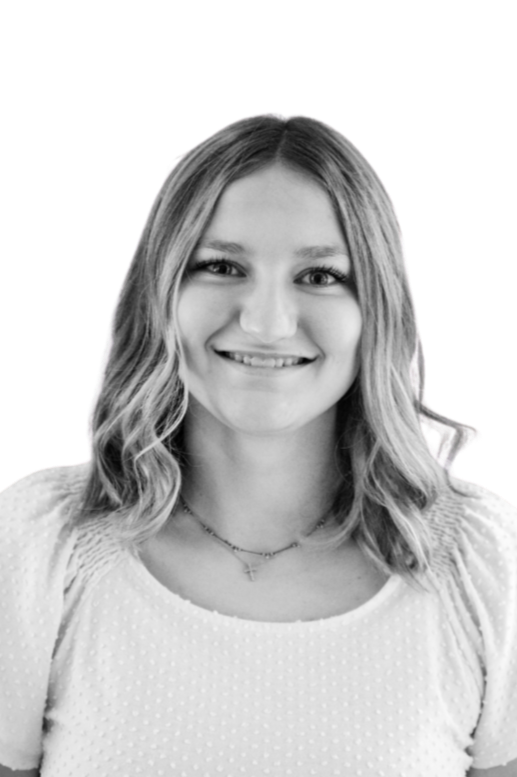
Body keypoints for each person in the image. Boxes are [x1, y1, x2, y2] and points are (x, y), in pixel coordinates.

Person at [0, 113, 515, 777]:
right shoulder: (35, 544)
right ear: (158, 297)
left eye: (320, 275)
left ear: (376, 310)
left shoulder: (488, 563)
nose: (266, 321)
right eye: (220, 265)